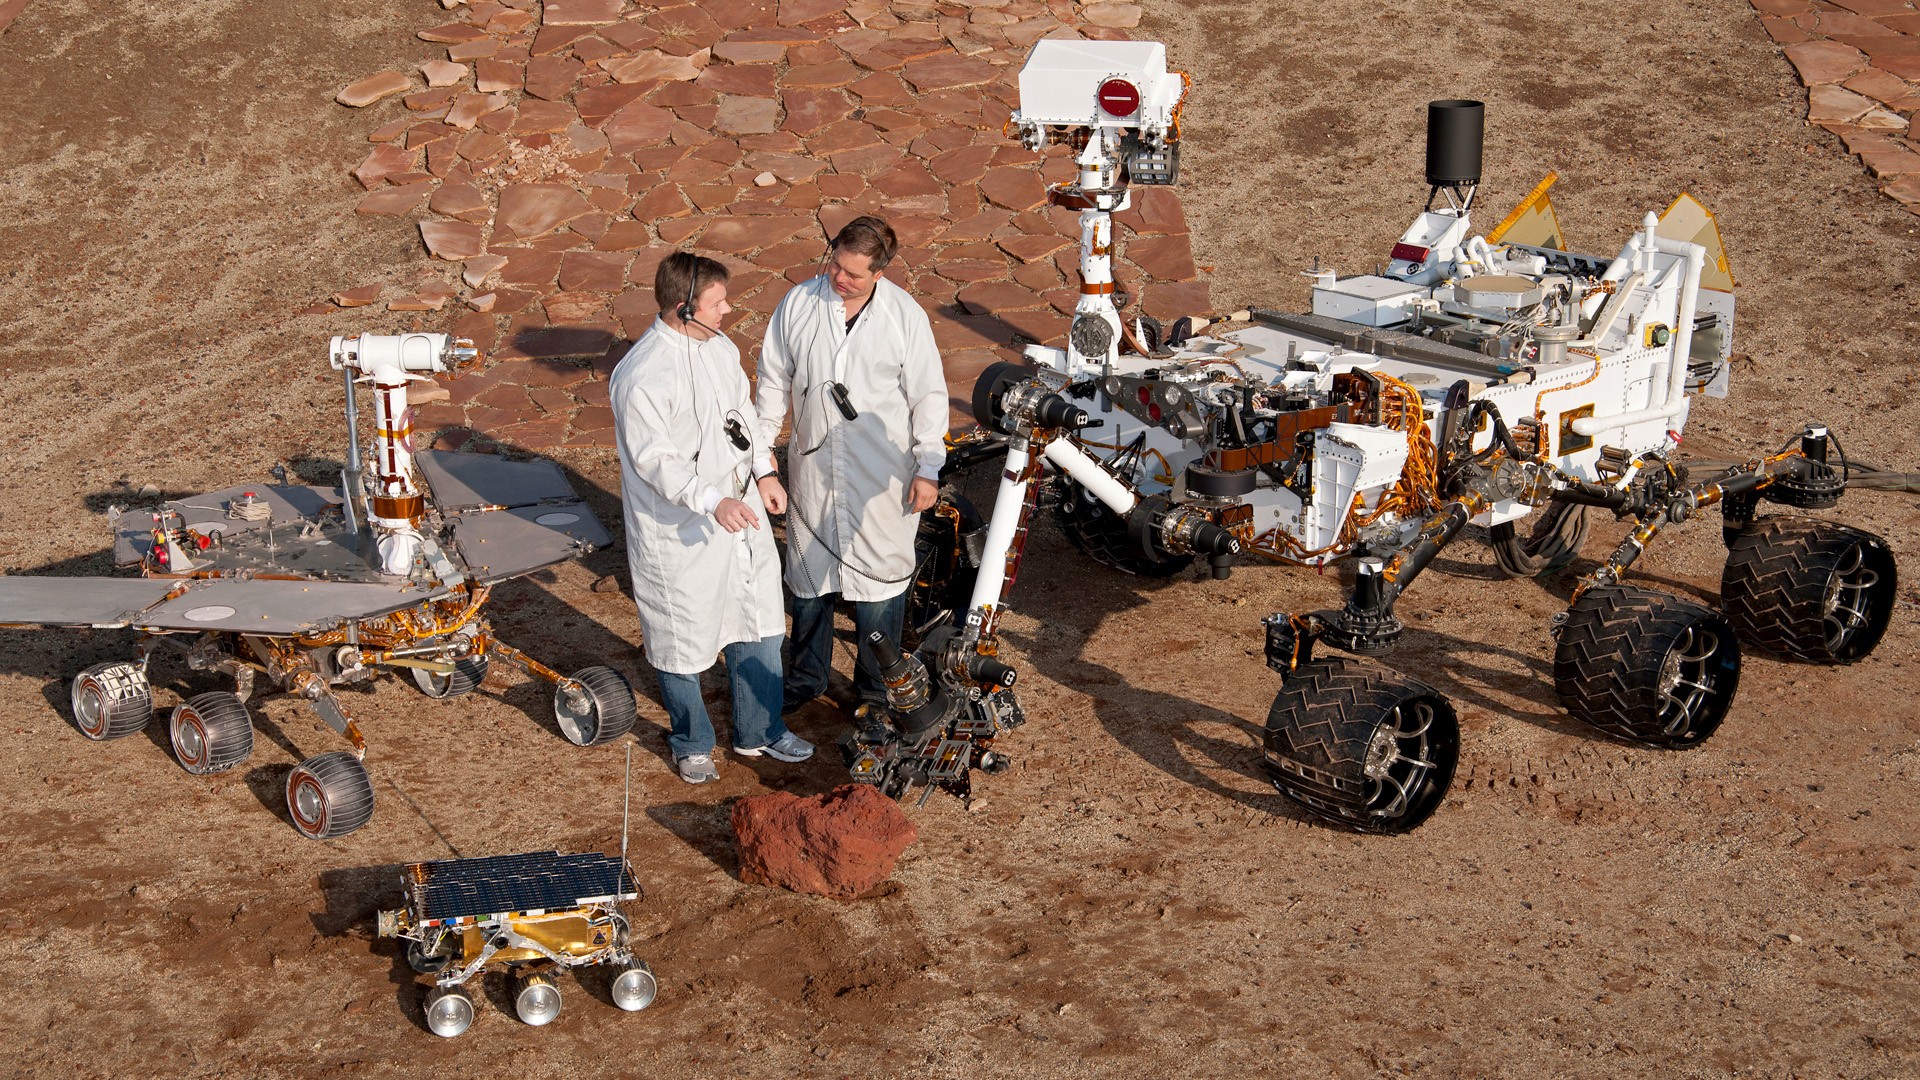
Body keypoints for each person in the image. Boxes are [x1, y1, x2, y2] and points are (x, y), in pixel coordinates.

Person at [609, 251, 815, 783]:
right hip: (680, 533)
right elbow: (656, 462)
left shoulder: (721, 349)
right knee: (682, 637)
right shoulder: (642, 375)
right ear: (684, 308)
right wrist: (711, 501)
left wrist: (766, 473)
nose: (728, 310)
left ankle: (760, 731)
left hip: (739, 514)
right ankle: (691, 740)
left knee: (760, 620)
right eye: (717, 302)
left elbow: (741, 421)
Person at [755, 215, 949, 716]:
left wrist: (929, 466)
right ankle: (806, 677)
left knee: (879, 584)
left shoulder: (905, 318)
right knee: (809, 576)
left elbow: (928, 394)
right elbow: (773, 383)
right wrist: (763, 460)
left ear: (880, 273)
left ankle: (874, 687)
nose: (841, 279)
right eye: (837, 265)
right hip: (814, 470)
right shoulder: (798, 304)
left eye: (855, 274)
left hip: (881, 476)